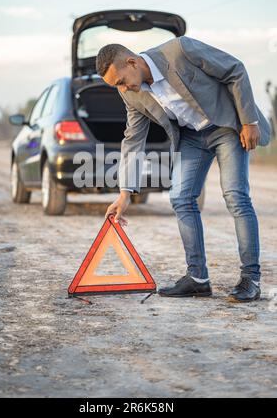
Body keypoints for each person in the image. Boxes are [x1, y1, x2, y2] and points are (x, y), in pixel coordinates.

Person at [95, 36, 272, 303]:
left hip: (227, 126)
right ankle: (198, 279)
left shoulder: (179, 50)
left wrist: (249, 122)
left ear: (131, 61)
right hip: (193, 138)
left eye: (121, 80)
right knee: (180, 198)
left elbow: (235, 69)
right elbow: (133, 139)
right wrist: (125, 192)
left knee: (235, 196)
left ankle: (251, 279)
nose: (123, 87)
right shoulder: (131, 93)